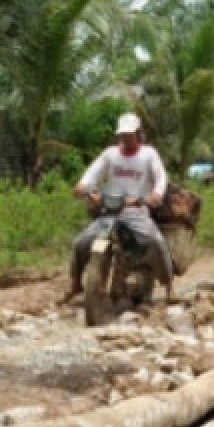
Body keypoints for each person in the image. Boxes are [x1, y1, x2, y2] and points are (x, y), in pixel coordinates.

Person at [64, 113, 173, 303]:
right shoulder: (110, 154)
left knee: (157, 243)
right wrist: (83, 186)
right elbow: (93, 172)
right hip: (109, 212)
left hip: (136, 212)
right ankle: (76, 283)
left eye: (129, 134)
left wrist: (155, 194)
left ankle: (168, 284)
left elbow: (161, 177)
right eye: (122, 134)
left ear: (138, 133)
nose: (126, 138)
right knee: (80, 244)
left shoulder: (149, 154)